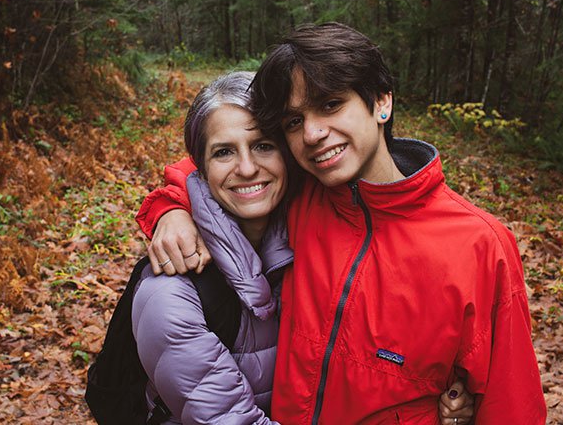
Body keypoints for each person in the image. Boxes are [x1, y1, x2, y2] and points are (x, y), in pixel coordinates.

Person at [133, 71, 473, 424]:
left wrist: (426, 406)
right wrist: (171, 207)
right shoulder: (171, 295)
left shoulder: (310, 234)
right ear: (201, 169)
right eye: (223, 152)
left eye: (264, 145)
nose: (247, 168)